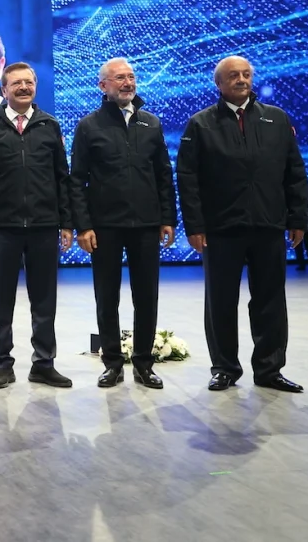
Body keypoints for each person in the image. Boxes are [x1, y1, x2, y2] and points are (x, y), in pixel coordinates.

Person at [176, 56, 308, 393]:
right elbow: (188, 179)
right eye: (233, 75)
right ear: (219, 84)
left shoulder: (276, 118)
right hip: (221, 228)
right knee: (220, 301)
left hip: (269, 225)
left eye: (247, 74)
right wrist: (194, 225)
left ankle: (269, 369)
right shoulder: (201, 123)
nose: (242, 80)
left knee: (271, 301)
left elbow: (294, 172)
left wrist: (298, 217)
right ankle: (224, 368)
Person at [69, 58, 177, 390]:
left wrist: (168, 218)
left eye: (131, 77)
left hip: (146, 224)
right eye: (120, 78)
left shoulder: (151, 123)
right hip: (105, 227)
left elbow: (163, 175)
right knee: (107, 297)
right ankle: (112, 364)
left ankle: (144, 364)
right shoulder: (88, 126)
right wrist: (83, 226)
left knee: (147, 297)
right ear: (103, 86)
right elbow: (77, 180)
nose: (128, 83)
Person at [0, 62, 74, 390]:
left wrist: (67, 222)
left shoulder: (49, 125)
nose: (23, 88)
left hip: (44, 226)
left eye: (28, 82)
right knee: (1, 300)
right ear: (4, 90)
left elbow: (62, 177)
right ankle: (3, 364)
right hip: (1, 227)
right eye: (16, 83)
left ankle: (44, 363)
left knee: (44, 300)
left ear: (35, 87)